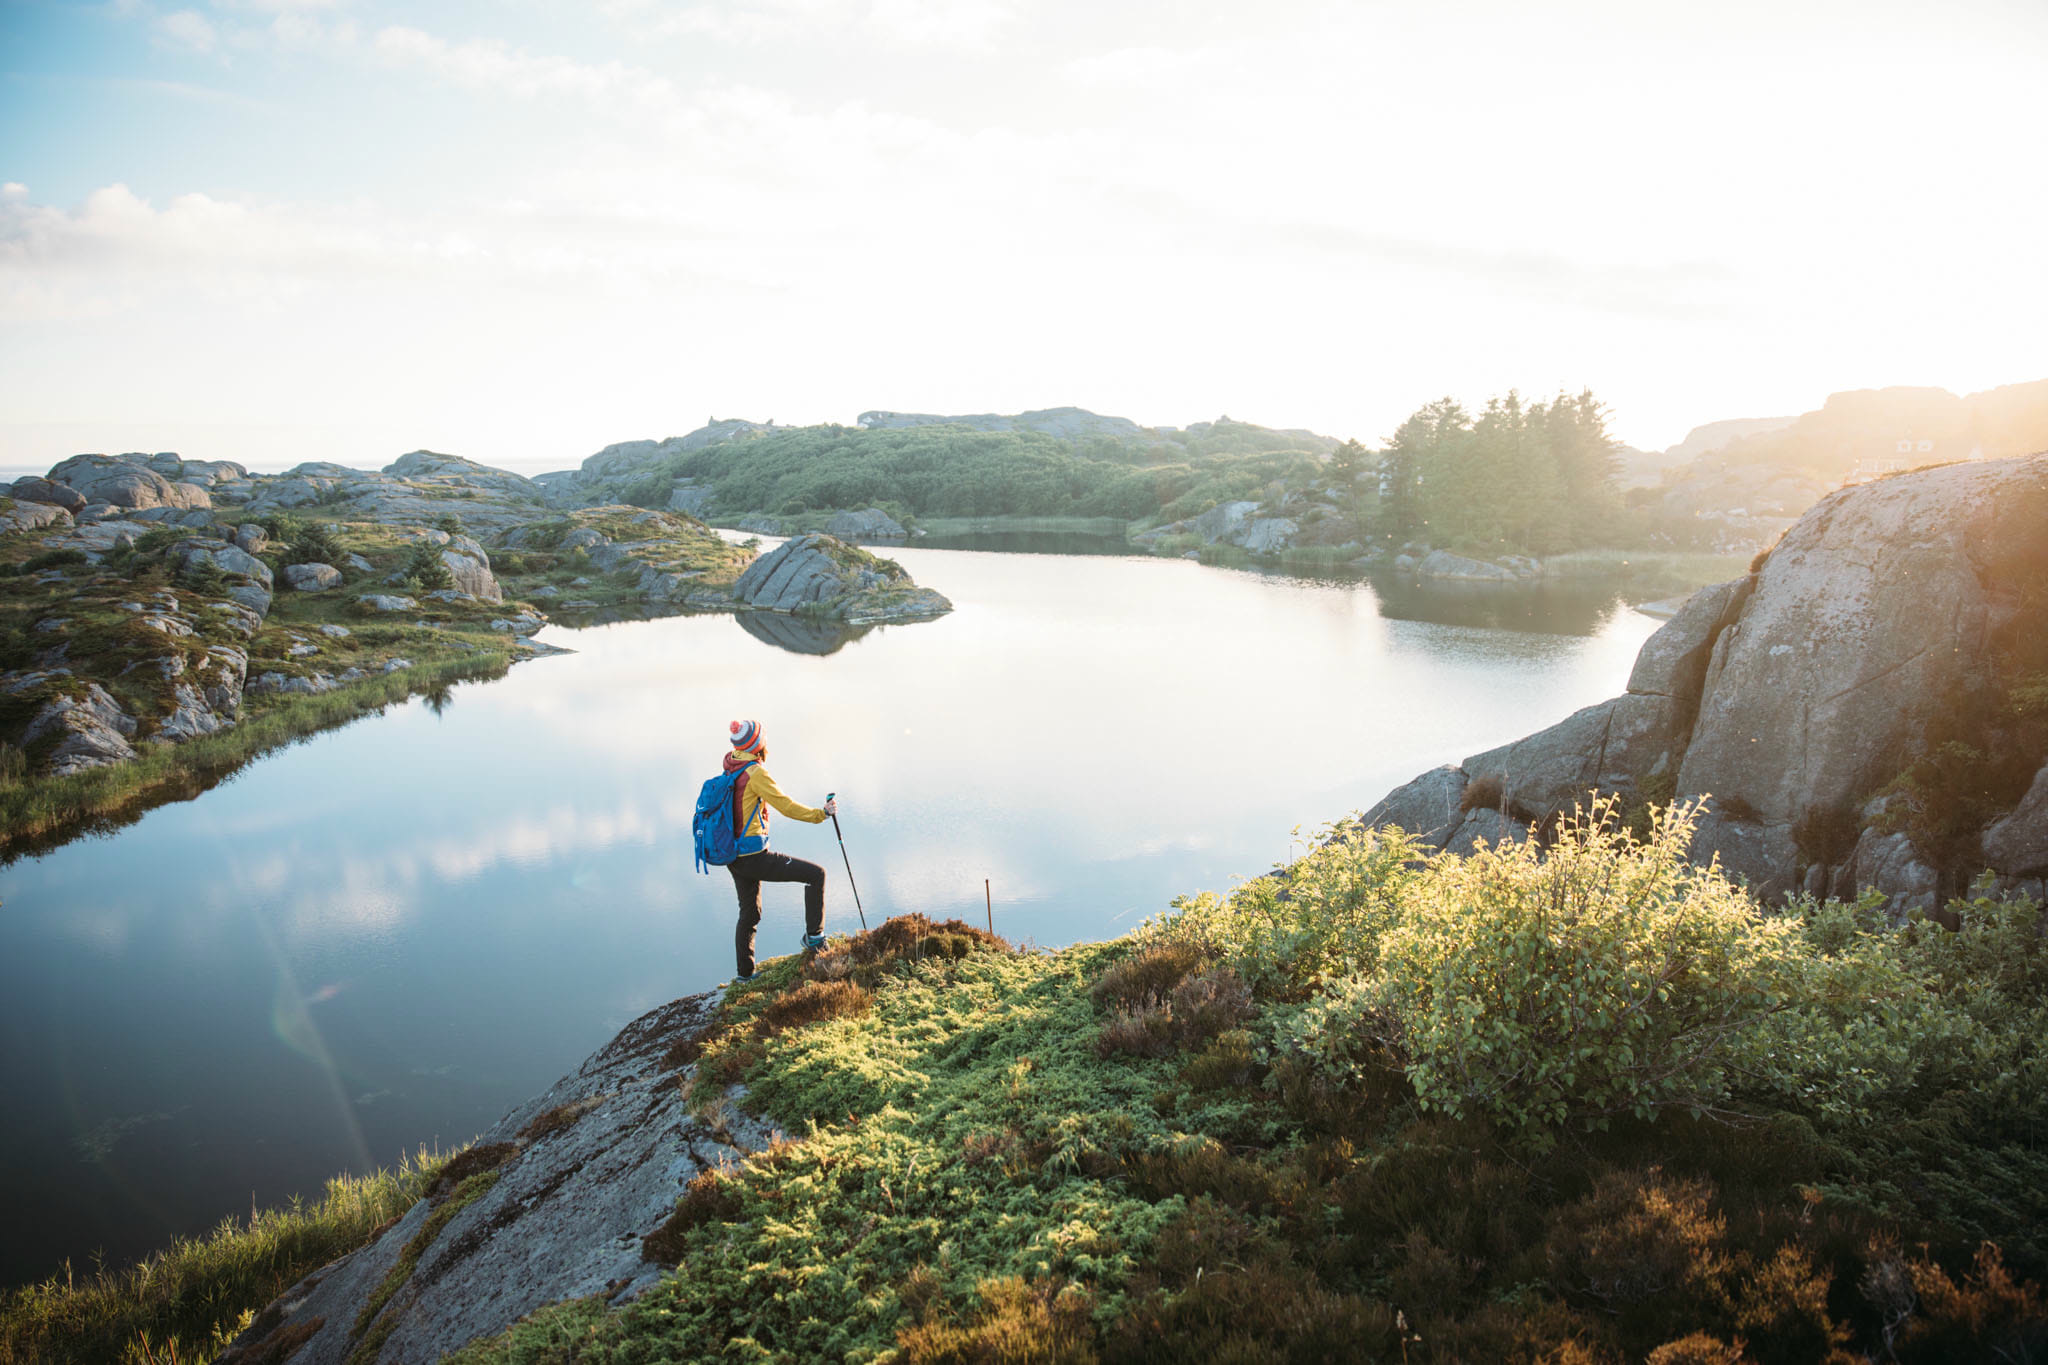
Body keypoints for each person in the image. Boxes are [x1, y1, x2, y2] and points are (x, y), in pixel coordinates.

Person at [719, 719, 836, 981]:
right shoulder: (755, 773)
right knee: (816, 875)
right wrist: (822, 814)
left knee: (749, 913)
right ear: (759, 745)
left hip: (733, 857)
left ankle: (745, 974)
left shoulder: (731, 765)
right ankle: (815, 939)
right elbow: (786, 806)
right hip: (753, 857)